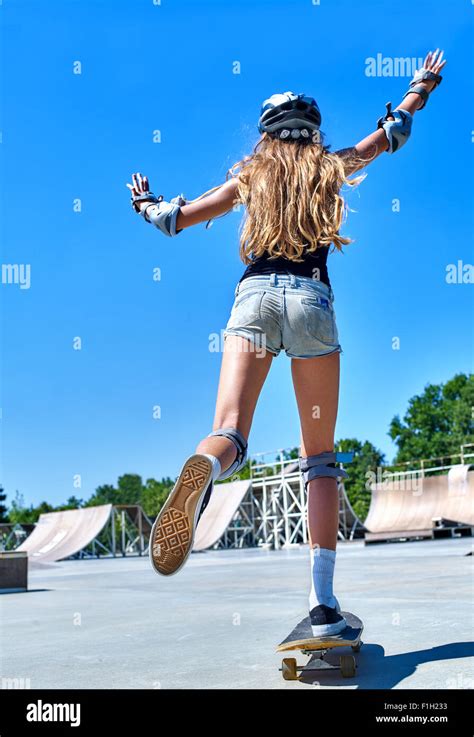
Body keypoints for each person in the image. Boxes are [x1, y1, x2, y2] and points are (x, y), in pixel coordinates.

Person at [126, 49, 446, 636]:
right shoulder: (330, 166)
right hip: (311, 300)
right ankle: (323, 604)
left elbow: (177, 219)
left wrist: (147, 204)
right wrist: (419, 87)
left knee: (228, 429)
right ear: (312, 132)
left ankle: (204, 466)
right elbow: (390, 135)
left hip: (253, 300)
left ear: (267, 135)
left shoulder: (249, 175)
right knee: (319, 459)